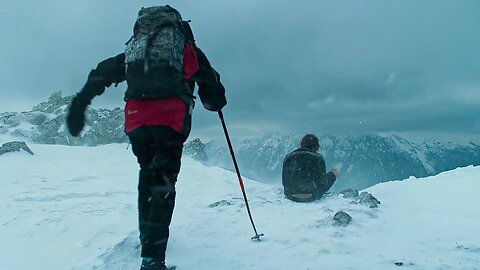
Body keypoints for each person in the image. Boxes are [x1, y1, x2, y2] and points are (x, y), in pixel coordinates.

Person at [66, 5, 227, 270]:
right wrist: (216, 102)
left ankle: (147, 240)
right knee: (163, 182)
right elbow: (212, 90)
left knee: (148, 174)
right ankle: (152, 259)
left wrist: (80, 102)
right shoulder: (186, 50)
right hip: (170, 119)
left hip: (137, 118)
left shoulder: (136, 50)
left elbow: (103, 72)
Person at [282, 134, 339, 203]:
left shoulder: (289, 157)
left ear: (301, 144)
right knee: (334, 172)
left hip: (291, 195)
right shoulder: (318, 158)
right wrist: (332, 175)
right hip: (312, 196)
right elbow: (323, 184)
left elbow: (285, 181)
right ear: (316, 146)